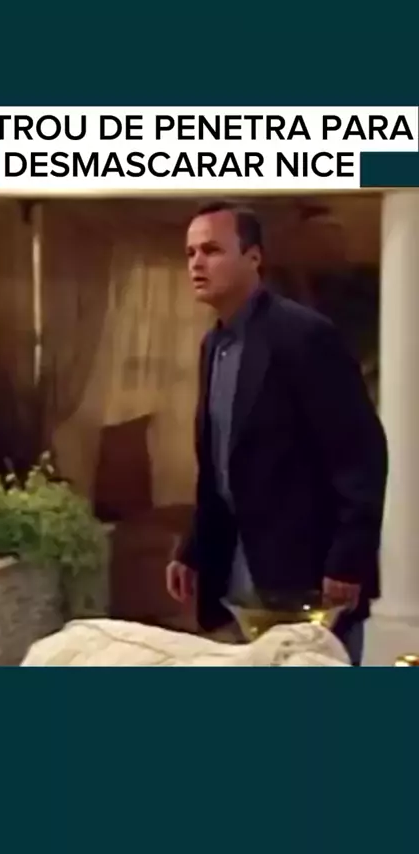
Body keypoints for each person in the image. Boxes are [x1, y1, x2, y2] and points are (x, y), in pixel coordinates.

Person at [165, 200, 388, 665]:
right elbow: (222, 468)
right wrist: (193, 550)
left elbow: (360, 453)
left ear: (254, 258)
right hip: (239, 576)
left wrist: (349, 558)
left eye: (212, 250)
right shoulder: (214, 346)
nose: (197, 263)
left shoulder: (303, 335)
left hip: (309, 574)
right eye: (190, 253)